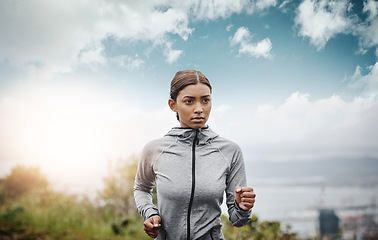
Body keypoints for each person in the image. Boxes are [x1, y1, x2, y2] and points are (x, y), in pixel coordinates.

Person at [133, 70, 256, 239]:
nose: (199, 109)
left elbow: (237, 220)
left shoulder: (230, 151)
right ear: (173, 105)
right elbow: (141, 188)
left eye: (205, 100)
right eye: (189, 101)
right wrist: (150, 213)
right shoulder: (154, 149)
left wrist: (242, 207)